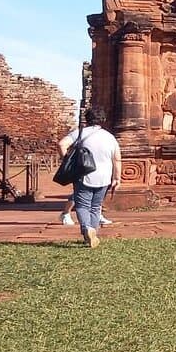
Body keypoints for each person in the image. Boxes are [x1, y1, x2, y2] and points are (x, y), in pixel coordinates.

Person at [57, 106, 121, 249]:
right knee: (95, 207)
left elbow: (61, 144)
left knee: (83, 205)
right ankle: (93, 234)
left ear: (87, 119)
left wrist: (67, 160)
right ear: (103, 120)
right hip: (104, 176)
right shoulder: (109, 137)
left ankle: (87, 229)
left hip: (83, 175)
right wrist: (117, 178)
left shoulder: (79, 133)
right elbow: (117, 159)